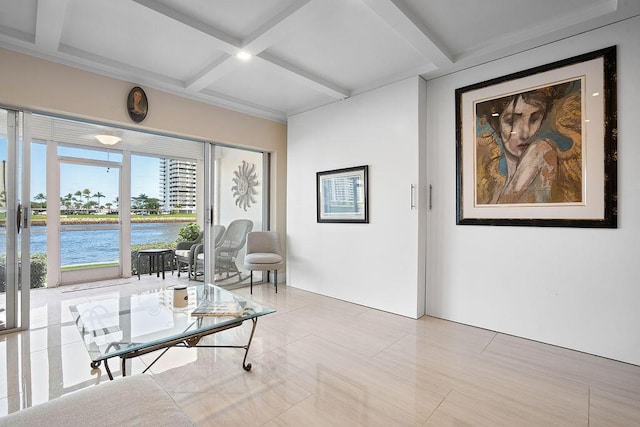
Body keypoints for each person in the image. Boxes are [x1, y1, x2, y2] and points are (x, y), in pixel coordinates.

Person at [475, 81, 582, 204]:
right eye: (512, 121)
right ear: (495, 125)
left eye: (534, 119)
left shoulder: (541, 150)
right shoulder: (495, 187)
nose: (526, 133)